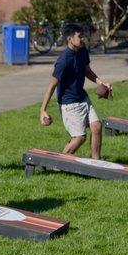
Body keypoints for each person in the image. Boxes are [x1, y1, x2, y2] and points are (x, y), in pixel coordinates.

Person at [40, 23, 111, 159]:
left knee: (96, 127)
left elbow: (87, 71)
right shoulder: (64, 60)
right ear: (70, 39)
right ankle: (57, 163)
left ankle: (96, 162)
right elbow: (52, 86)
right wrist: (42, 110)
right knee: (79, 138)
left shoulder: (83, 51)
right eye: (79, 36)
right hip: (69, 104)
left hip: (82, 97)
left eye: (82, 36)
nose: (82, 39)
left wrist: (102, 83)